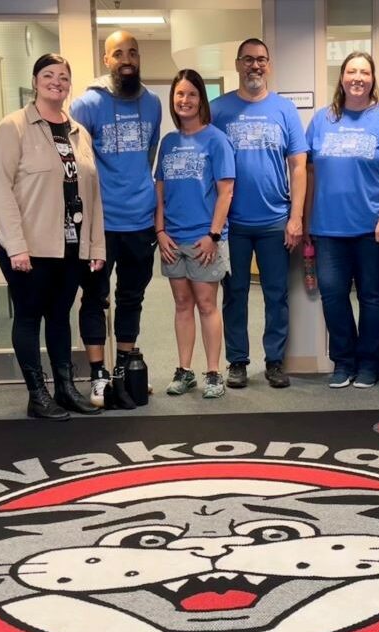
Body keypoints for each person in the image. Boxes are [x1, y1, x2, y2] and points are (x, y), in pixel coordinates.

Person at [0, 53, 105, 420]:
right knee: (28, 317)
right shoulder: (15, 126)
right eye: (48, 75)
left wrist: (95, 245)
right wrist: (16, 245)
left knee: (60, 318)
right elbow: (1, 189)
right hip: (30, 247)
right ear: (36, 80)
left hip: (69, 247)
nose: (56, 81)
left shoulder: (79, 132)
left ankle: (66, 388)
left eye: (63, 76)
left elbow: (93, 193)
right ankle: (37, 394)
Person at [305, 51, 379, 389]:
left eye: (365, 72)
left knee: (372, 296)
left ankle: (368, 364)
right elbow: (306, 171)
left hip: (374, 227)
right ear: (342, 77)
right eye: (351, 71)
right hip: (328, 228)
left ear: (373, 79)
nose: (358, 78)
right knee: (333, 294)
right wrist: (304, 221)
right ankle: (343, 362)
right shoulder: (322, 120)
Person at [70, 30, 161, 408]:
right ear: (106, 59)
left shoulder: (153, 104)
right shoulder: (87, 105)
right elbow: (76, 165)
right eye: (118, 53)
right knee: (94, 297)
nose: (127, 59)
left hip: (139, 220)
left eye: (133, 53)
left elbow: (150, 154)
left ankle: (125, 367)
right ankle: (98, 376)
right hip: (100, 224)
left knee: (132, 296)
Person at [211, 38, 308, 390]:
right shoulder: (218, 110)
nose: (255, 65)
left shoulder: (284, 110)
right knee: (234, 293)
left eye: (262, 60)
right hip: (232, 224)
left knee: (276, 294)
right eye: (249, 59)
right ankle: (237, 361)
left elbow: (299, 166)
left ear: (269, 65)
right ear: (238, 64)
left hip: (274, 221)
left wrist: (296, 217)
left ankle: (274, 361)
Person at [154, 69, 235, 399]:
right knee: (182, 304)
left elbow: (226, 191)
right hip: (173, 239)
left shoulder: (216, 139)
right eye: (179, 95)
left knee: (206, 305)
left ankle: (214, 372)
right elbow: (159, 191)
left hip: (205, 240)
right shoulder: (168, 142)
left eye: (191, 94)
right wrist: (159, 231)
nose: (184, 100)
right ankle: (184, 370)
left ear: (201, 99)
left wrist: (213, 235)